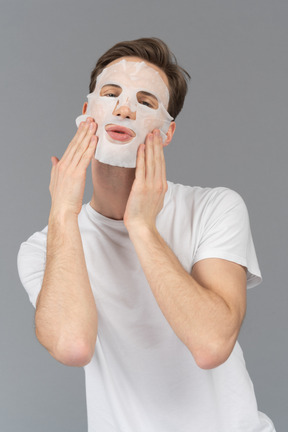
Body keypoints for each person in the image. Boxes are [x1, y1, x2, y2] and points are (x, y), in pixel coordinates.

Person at [17, 37, 275, 431]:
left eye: (146, 102)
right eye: (111, 93)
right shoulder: (43, 248)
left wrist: (141, 226)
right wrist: (63, 212)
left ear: (167, 133)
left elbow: (211, 345)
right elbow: (73, 345)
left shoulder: (215, 208)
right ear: (87, 112)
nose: (124, 107)